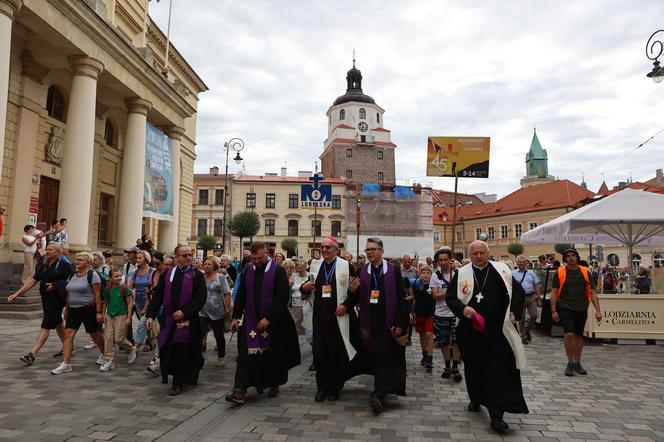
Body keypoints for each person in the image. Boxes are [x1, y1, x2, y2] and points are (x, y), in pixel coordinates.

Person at [445, 240, 528, 433]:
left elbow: (518, 291)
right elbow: (450, 298)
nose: (479, 256)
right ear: (470, 254)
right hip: (470, 332)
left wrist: (514, 311)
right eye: (475, 253)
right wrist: (462, 308)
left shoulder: (502, 271)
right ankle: (475, 397)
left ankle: (496, 415)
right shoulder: (462, 273)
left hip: (497, 332)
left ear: (488, 253)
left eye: (482, 253)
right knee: (474, 368)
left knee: (496, 371)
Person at [226, 242, 300, 405]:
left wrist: (269, 318)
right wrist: (235, 317)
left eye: (260, 258)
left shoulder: (278, 271)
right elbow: (241, 297)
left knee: (271, 355)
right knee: (245, 354)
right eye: (254, 258)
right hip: (251, 320)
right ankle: (239, 390)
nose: (257, 261)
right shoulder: (248, 271)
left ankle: (273, 383)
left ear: (266, 254)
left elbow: (282, 297)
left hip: (274, 321)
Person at [300, 236, 367, 402]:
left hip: (338, 318)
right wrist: (304, 288)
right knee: (320, 354)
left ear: (336, 250)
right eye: (322, 247)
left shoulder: (346, 266)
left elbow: (356, 291)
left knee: (336, 354)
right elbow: (308, 290)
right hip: (320, 317)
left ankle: (334, 387)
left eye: (328, 247)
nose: (324, 250)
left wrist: (346, 304)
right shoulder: (315, 266)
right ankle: (321, 388)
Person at [352, 237, 408, 413]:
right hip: (369, 321)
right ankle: (380, 388)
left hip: (387, 321)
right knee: (375, 356)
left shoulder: (393, 270)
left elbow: (401, 298)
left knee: (384, 355)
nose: (369, 252)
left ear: (381, 251)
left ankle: (379, 393)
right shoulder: (361, 271)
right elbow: (355, 296)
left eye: (373, 249)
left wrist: (400, 321)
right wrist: (351, 292)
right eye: (367, 250)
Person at [147, 245, 207, 396]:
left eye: (189, 255)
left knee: (182, 351)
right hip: (169, 320)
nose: (188, 258)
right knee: (168, 348)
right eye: (184, 255)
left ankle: (178, 382)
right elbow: (158, 296)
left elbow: (200, 299)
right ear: (176, 257)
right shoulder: (167, 275)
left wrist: (185, 312)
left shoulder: (196, 275)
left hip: (188, 322)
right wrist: (150, 315)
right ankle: (178, 373)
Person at [9, 243, 72, 365]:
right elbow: (34, 279)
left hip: (57, 298)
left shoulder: (65, 265)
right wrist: (17, 293)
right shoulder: (43, 265)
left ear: (58, 252)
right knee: (57, 321)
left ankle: (32, 354)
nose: (47, 251)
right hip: (46, 297)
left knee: (46, 324)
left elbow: (72, 280)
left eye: (50, 249)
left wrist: (55, 285)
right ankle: (68, 345)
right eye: (46, 249)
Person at [51, 252, 106, 375]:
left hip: (88, 309)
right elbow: (69, 293)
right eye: (77, 259)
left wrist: (98, 312)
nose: (77, 261)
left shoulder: (93, 275)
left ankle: (104, 353)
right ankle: (66, 364)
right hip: (74, 310)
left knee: (95, 334)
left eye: (80, 260)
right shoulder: (72, 275)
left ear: (88, 263)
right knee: (68, 335)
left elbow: (97, 295)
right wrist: (67, 309)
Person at [550, 248, 601, 377]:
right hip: (565, 307)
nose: (571, 258)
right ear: (565, 259)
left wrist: (598, 310)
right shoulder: (560, 272)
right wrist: (553, 310)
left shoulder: (585, 272)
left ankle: (577, 362)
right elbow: (554, 292)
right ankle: (570, 362)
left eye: (573, 255)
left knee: (578, 336)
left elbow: (592, 292)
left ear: (577, 257)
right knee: (569, 334)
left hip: (581, 308)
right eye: (568, 256)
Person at [431, 248, 462, 382]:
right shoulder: (435, 276)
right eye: (441, 260)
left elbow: (463, 293)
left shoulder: (458, 274)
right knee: (443, 341)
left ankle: (455, 367)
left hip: (456, 314)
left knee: (457, 341)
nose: (443, 263)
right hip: (441, 313)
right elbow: (435, 296)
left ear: (450, 260)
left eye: (446, 260)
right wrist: (449, 291)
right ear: (437, 262)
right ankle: (447, 366)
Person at [100, 268, 134, 372]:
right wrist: (103, 314)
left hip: (121, 316)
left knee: (119, 339)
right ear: (110, 278)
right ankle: (108, 360)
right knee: (109, 337)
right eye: (116, 276)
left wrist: (128, 317)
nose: (119, 278)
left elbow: (129, 303)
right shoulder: (108, 289)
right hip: (110, 316)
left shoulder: (124, 289)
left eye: (120, 275)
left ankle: (131, 348)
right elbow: (105, 302)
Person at [200, 256, 232, 367]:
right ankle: (198, 358)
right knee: (200, 334)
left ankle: (221, 356)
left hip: (218, 311)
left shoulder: (221, 277)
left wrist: (227, 309)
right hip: (202, 311)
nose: (206, 266)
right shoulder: (201, 277)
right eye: (205, 264)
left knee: (219, 335)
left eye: (209, 264)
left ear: (215, 266)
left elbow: (227, 294)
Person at [127, 250, 154, 363]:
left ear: (146, 259)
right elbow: (129, 287)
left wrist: (145, 308)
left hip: (149, 300)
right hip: (138, 301)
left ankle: (135, 347)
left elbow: (152, 289)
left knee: (142, 322)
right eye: (137, 258)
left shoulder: (152, 271)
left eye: (139, 258)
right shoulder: (136, 272)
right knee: (145, 323)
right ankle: (151, 342)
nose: (137, 260)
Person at [512, 255, 541, 345]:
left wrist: (539, 297)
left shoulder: (531, 272)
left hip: (531, 297)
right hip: (519, 298)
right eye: (520, 262)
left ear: (526, 263)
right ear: (517, 263)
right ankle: (523, 336)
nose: (522, 263)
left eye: (523, 262)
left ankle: (528, 330)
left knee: (534, 316)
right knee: (521, 318)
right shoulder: (513, 273)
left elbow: (536, 285)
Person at [412, 265, 435, 372]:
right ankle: (424, 354)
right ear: (420, 274)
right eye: (423, 273)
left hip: (430, 314)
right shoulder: (416, 284)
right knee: (422, 335)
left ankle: (430, 358)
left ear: (431, 274)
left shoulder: (433, 285)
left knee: (429, 334)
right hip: (419, 313)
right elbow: (412, 297)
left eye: (427, 273)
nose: (425, 275)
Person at [290, 259, 309, 335]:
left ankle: (308, 339)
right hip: (295, 303)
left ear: (305, 267)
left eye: (301, 268)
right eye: (298, 268)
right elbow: (289, 286)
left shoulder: (309, 276)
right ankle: (299, 340)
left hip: (306, 303)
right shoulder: (294, 276)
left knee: (307, 323)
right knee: (297, 322)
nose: (299, 270)